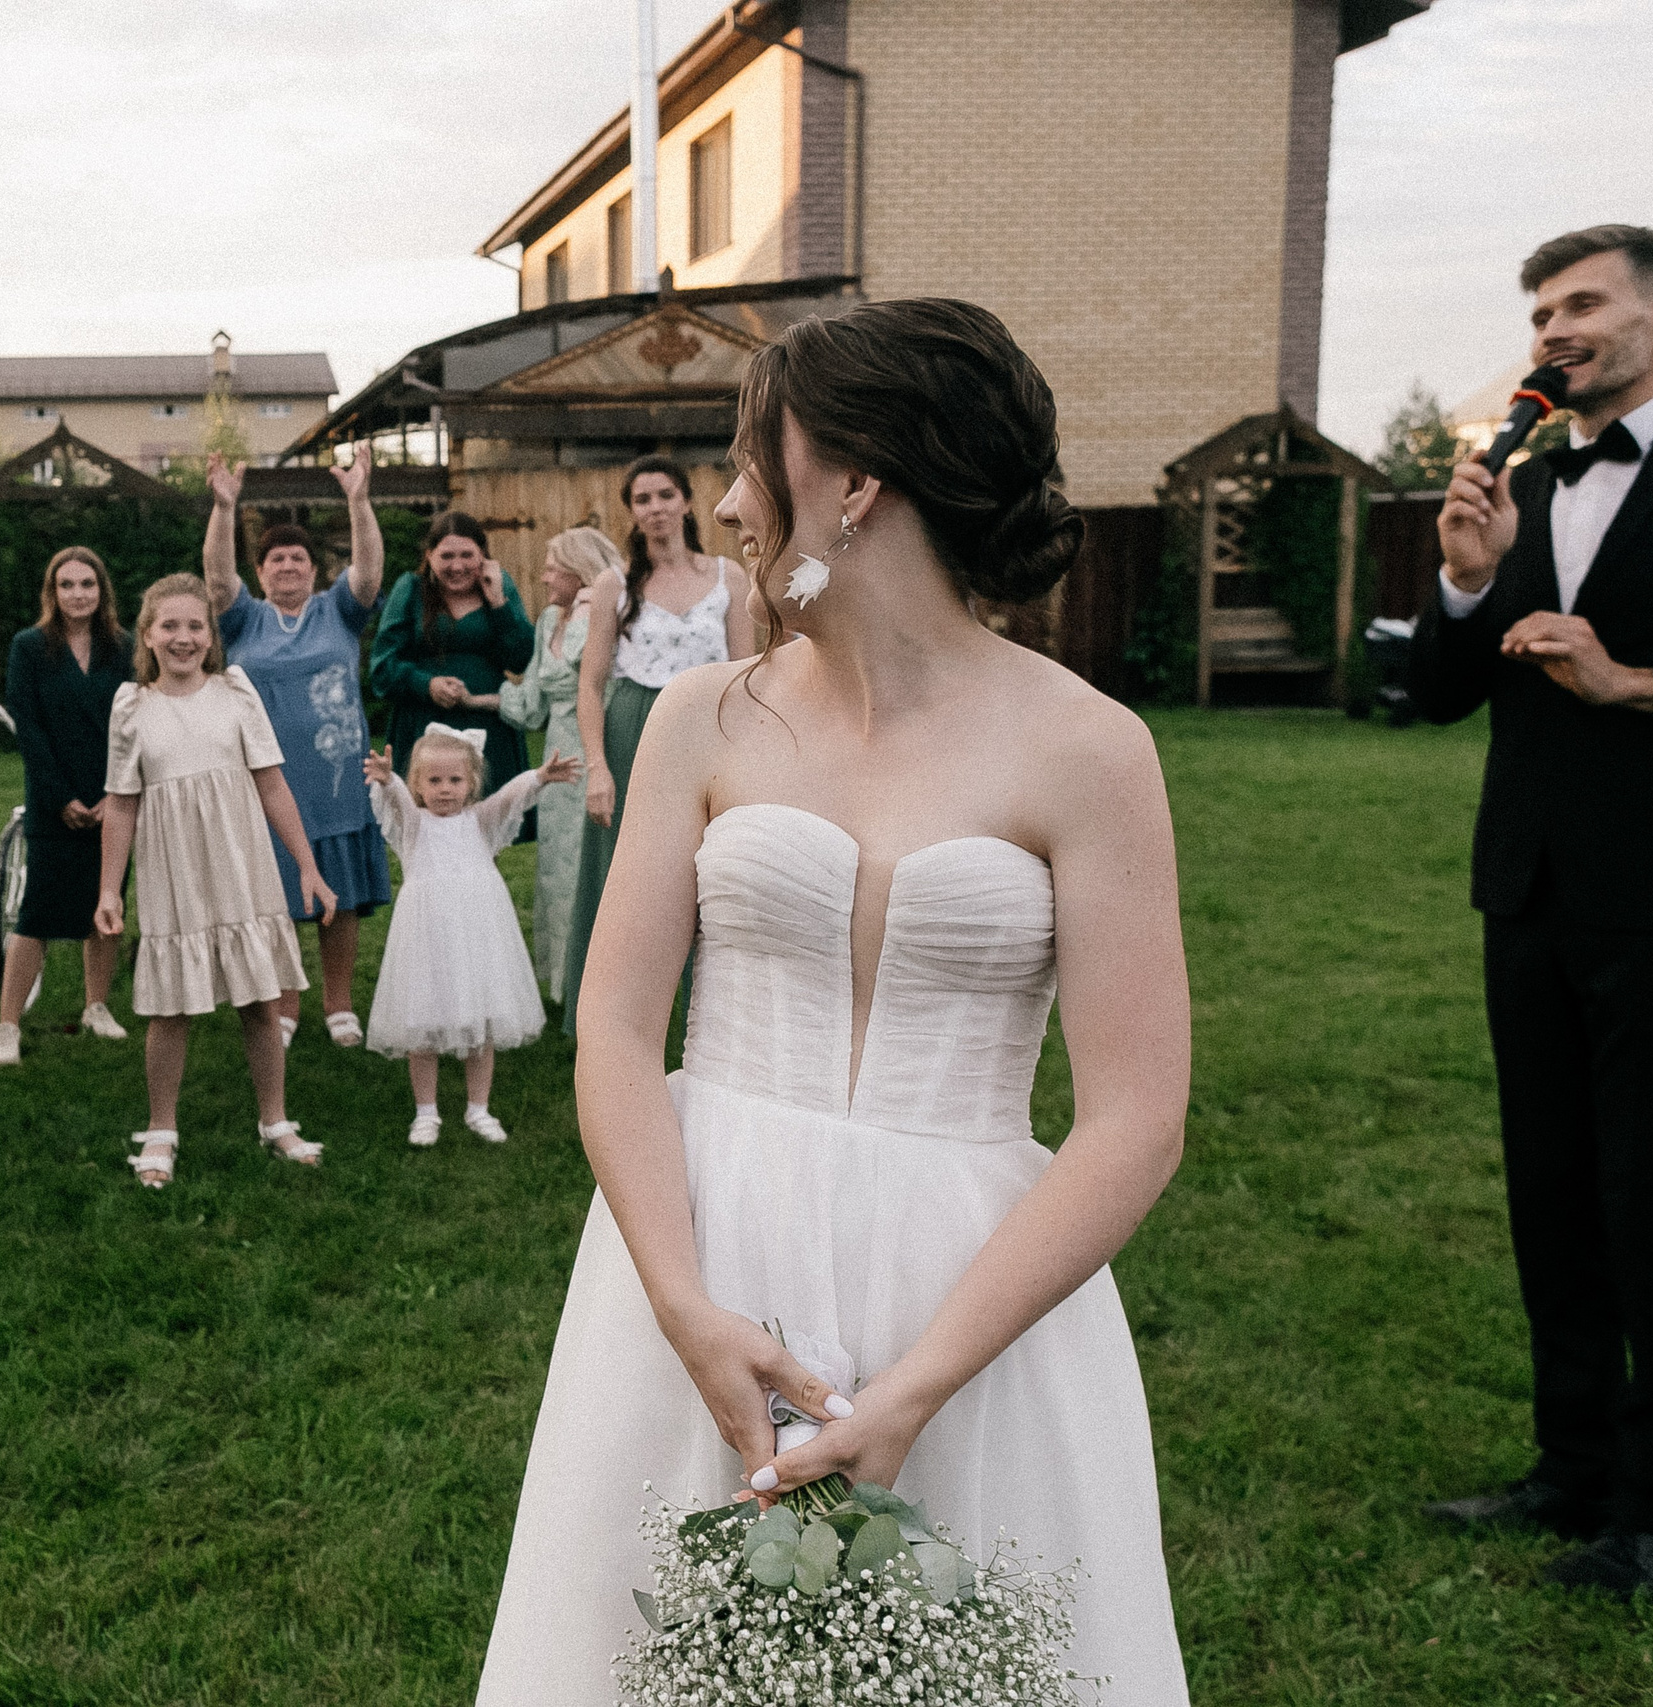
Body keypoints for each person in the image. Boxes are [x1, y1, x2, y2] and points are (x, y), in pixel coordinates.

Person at [478, 299, 1191, 1704]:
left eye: (756, 456)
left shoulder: (1092, 749)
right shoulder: (704, 716)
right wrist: (682, 1305)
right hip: (705, 1248)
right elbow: (615, 1028)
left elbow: (1135, 1117)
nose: (729, 503)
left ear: (854, 482)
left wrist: (921, 1383)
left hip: (970, 1294)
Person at [1409, 224, 1653, 1598]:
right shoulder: (1531, 481)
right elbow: (1438, 695)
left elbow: (1609, 680)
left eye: (1581, 304)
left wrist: (1627, 682)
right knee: (1552, 1192)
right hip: (1530, 893)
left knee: (1647, 1199)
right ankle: (1569, 1465)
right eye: (1542, 313)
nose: (1554, 330)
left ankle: (1651, 1513)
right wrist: (1464, 578)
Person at [94, 573, 337, 1188]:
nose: (183, 638)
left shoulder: (236, 693)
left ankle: (275, 1120)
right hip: (172, 871)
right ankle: (161, 1129)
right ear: (148, 635)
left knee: (260, 1001)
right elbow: (120, 803)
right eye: (169, 626)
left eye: (195, 626)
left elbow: (272, 784)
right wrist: (108, 889)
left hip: (241, 864)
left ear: (211, 635)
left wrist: (307, 865)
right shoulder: (132, 706)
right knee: (170, 1009)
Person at [561, 455, 759, 1027]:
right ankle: (612, 1009)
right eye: (642, 499)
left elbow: (745, 671)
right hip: (633, 729)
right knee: (623, 867)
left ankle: (716, 1007)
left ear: (687, 502)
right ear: (631, 512)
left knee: (712, 862)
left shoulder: (728, 577)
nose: (655, 509)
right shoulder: (614, 585)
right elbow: (590, 684)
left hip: (709, 730)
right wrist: (598, 767)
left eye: (665, 495)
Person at [203, 449, 390, 1050]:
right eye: (276, 559)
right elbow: (215, 577)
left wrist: (358, 501)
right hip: (265, 786)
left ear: (314, 570)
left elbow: (368, 572)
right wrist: (224, 509)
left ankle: (339, 1004)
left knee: (341, 901)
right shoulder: (243, 620)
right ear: (260, 574)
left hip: (336, 784)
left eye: (298, 558)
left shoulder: (338, 612)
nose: (288, 565)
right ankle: (284, 1005)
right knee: (275, 900)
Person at [362, 726, 577, 1147]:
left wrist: (538, 777)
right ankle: (426, 1112)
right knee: (422, 1027)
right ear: (419, 784)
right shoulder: (415, 827)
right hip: (427, 940)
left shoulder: (479, 822)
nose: (445, 789)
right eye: (434, 780)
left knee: (481, 1025)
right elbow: (399, 803)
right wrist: (389, 782)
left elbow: (509, 798)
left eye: (455, 780)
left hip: (477, 938)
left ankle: (479, 1108)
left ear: (472, 782)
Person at [0, 546, 134, 1066]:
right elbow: (28, 726)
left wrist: (114, 796)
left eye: (87, 584)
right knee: (37, 915)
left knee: (107, 907)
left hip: (114, 799)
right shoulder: (30, 647)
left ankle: (96, 1006)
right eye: (67, 584)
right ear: (52, 592)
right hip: (53, 801)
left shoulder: (124, 647)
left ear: (102, 590)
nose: (78, 594)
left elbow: (134, 724)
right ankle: (7, 1025)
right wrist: (61, 798)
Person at [499, 527, 610, 1000]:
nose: (543, 578)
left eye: (551, 569)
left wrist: (590, 607)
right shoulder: (548, 620)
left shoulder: (606, 613)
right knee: (559, 868)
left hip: (602, 750)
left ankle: (606, 983)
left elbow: (600, 683)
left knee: (599, 867)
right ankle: (569, 983)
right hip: (559, 760)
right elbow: (532, 706)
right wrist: (480, 697)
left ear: (578, 570)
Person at [368, 512, 537, 799]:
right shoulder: (411, 589)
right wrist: (427, 685)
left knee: (490, 816)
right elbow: (382, 669)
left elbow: (521, 660)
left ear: (483, 555)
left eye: (467, 555)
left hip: (489, 727)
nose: (457, 566)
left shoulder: (499, 587)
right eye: (446, 556)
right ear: (429, 555)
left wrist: (498, 603)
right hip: (423, 726)